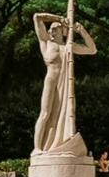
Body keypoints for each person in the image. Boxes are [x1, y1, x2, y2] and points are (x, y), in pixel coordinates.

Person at [32, 10, 96, 153]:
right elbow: (37, 17)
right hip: (51, 80)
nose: (51, 31)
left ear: (62, 31)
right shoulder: (46, 42)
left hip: (64, 84)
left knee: (58, 115)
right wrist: (60, 18)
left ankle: (53, 146)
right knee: (45, 113)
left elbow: (92, 50)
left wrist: (82, 31)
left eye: (55, 29)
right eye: (50, 29)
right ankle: (37, 148)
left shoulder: (68, 47)